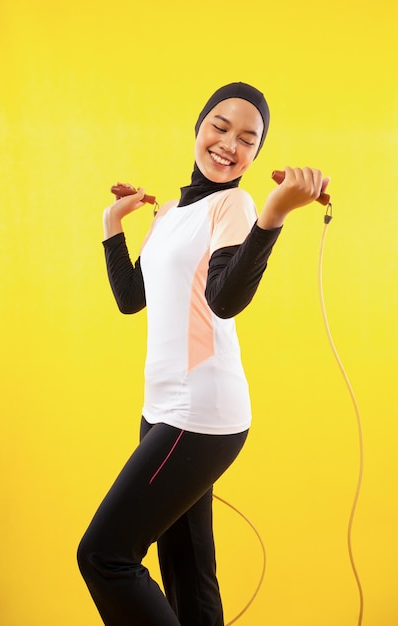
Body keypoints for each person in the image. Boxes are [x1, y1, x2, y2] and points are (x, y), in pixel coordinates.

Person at [77, 82, 330, 626]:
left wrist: (274, 216)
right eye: (220, 126)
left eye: (248, 138)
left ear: (255, 155)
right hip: (161, 411)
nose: (228, 144)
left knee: (104, 557)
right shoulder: (169, 211)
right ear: (199, 127)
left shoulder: (234, 204)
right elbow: (131, 298)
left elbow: (225, 299)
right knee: (188, 574)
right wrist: (112, 224)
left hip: (200, 415)